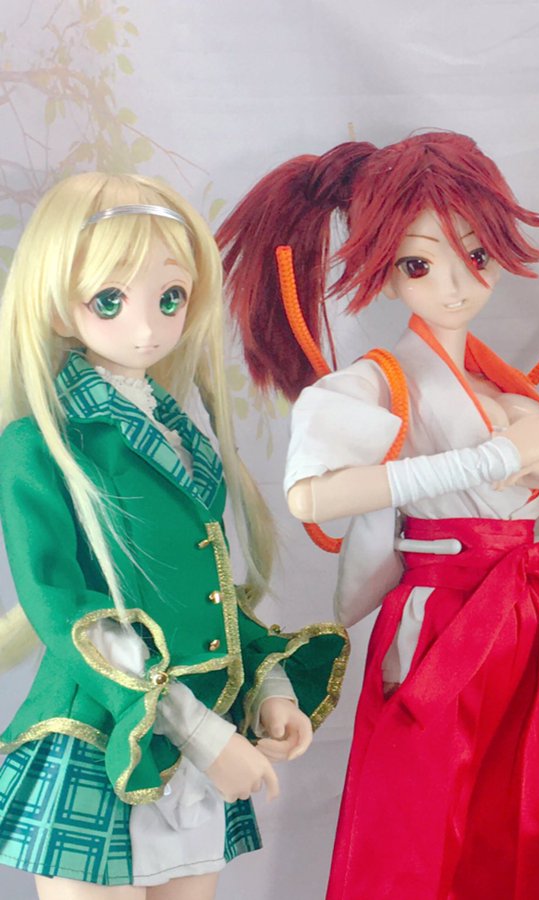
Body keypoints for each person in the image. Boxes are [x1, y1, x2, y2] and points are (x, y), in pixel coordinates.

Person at [218, 131, 539, 899]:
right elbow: (312, 494)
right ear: (386, 269)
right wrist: (489, 460)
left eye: (478, 254)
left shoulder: (503, 388)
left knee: (527, 814)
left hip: (523, 620)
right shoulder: (384, 379)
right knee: (416, 824)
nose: (456, 286)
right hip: (438, 624)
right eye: (419, 264)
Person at [0, 173, 348, 899]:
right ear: (57, 302)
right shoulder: (41, 445)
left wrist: (269, 686)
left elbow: (204, 592)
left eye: (170, 298)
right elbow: (65, 609)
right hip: (105, 731)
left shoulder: (181, 435)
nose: (148, 328)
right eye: (109, 300)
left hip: (199, 733)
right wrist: (198, 731)